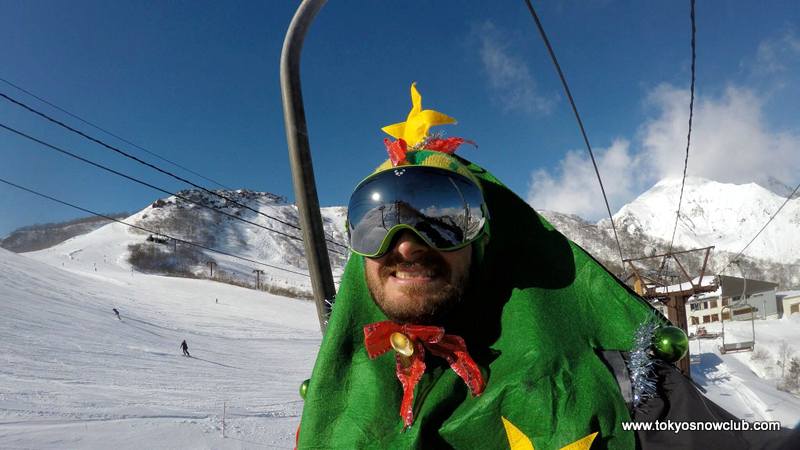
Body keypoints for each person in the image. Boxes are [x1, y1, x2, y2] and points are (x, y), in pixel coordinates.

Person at [296, 84, 794, 449]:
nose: (406, 246)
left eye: (444, 222)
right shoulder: (334, 400)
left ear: (485, 244)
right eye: (377, 223)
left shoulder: (610, 378)